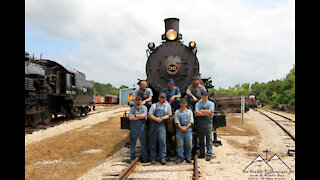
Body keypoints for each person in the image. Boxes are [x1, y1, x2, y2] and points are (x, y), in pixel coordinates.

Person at [148, 93, 172, 165]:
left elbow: (169, 115)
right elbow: (150, 114)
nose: (162, 99)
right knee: (153, 142)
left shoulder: (167, 106)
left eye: (164, 98)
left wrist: (162, 118)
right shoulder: (154, 105)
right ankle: (153, 158)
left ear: (165, 98)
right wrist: (156, 119)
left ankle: (162, 158)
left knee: (162, 141)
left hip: (162, 125)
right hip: (154, 124)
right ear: (159, 98)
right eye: (161, 97)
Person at [194, 91, 215, 161]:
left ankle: (209, 153)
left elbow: (210, 112)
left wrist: (201, 111)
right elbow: (197, 113)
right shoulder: (198, 104)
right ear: (201, 96)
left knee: (209, 138)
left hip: (208, 122)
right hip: (200, 122)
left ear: (207, 96)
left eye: (206, 95)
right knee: (201, 139)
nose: (205, 97)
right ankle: (202, 153)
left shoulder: (211, 103)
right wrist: (206, 112)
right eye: (203, 95)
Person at [128, 96, 148, 163]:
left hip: (142, 128)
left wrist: (135, 116)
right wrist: (140, 116)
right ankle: (132, 158)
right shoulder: (132, 108)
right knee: (133, 144)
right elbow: (130, 118)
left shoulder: (144, 108)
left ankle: (144, 158)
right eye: (137, 100)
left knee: (143, 144)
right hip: (134, 128)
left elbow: (144, 116)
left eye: (139, 100)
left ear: (141, 101)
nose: (138, 101)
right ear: (135, 101)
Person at [174, 98, 194, 164]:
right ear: (180, 104)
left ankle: (188, 157)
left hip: (188, 129)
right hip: (180, 129)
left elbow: (191, 120)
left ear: (186, 104)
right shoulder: (177, 112)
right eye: (182, 103)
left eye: (184, 103)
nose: (183, 104)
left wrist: (187, 127)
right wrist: (181, 128)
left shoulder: (189, 112)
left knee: (189, 144)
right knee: (180, 144)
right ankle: (180, 157)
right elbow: (176, 121)